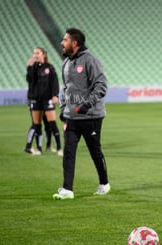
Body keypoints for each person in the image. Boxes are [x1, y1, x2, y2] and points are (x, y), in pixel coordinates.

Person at [53, 28, 110, 200]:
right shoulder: (67, 62)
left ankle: (104, 183)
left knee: (95, 151)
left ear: (75, 43)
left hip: (91, 116)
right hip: (72, 117)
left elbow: (101, 85)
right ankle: (67, 189)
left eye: (65, 40)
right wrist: (64, 110)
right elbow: (65, 90)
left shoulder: (90, 60)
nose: (62, 43)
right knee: (69, 151)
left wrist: (87, 105)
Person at [24, 47, 62, 156]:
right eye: (34, 53)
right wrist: (30, 67)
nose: (35, 55)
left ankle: (59, 148)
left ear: (43, 54)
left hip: (47, 100)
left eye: (37, 53)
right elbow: (30, 81)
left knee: (52, 123)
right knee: (37, 124)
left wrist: (55, 95)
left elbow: (55, 83)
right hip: (36, 100)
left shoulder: (49, 68)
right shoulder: (32, 68)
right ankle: (39, 149)